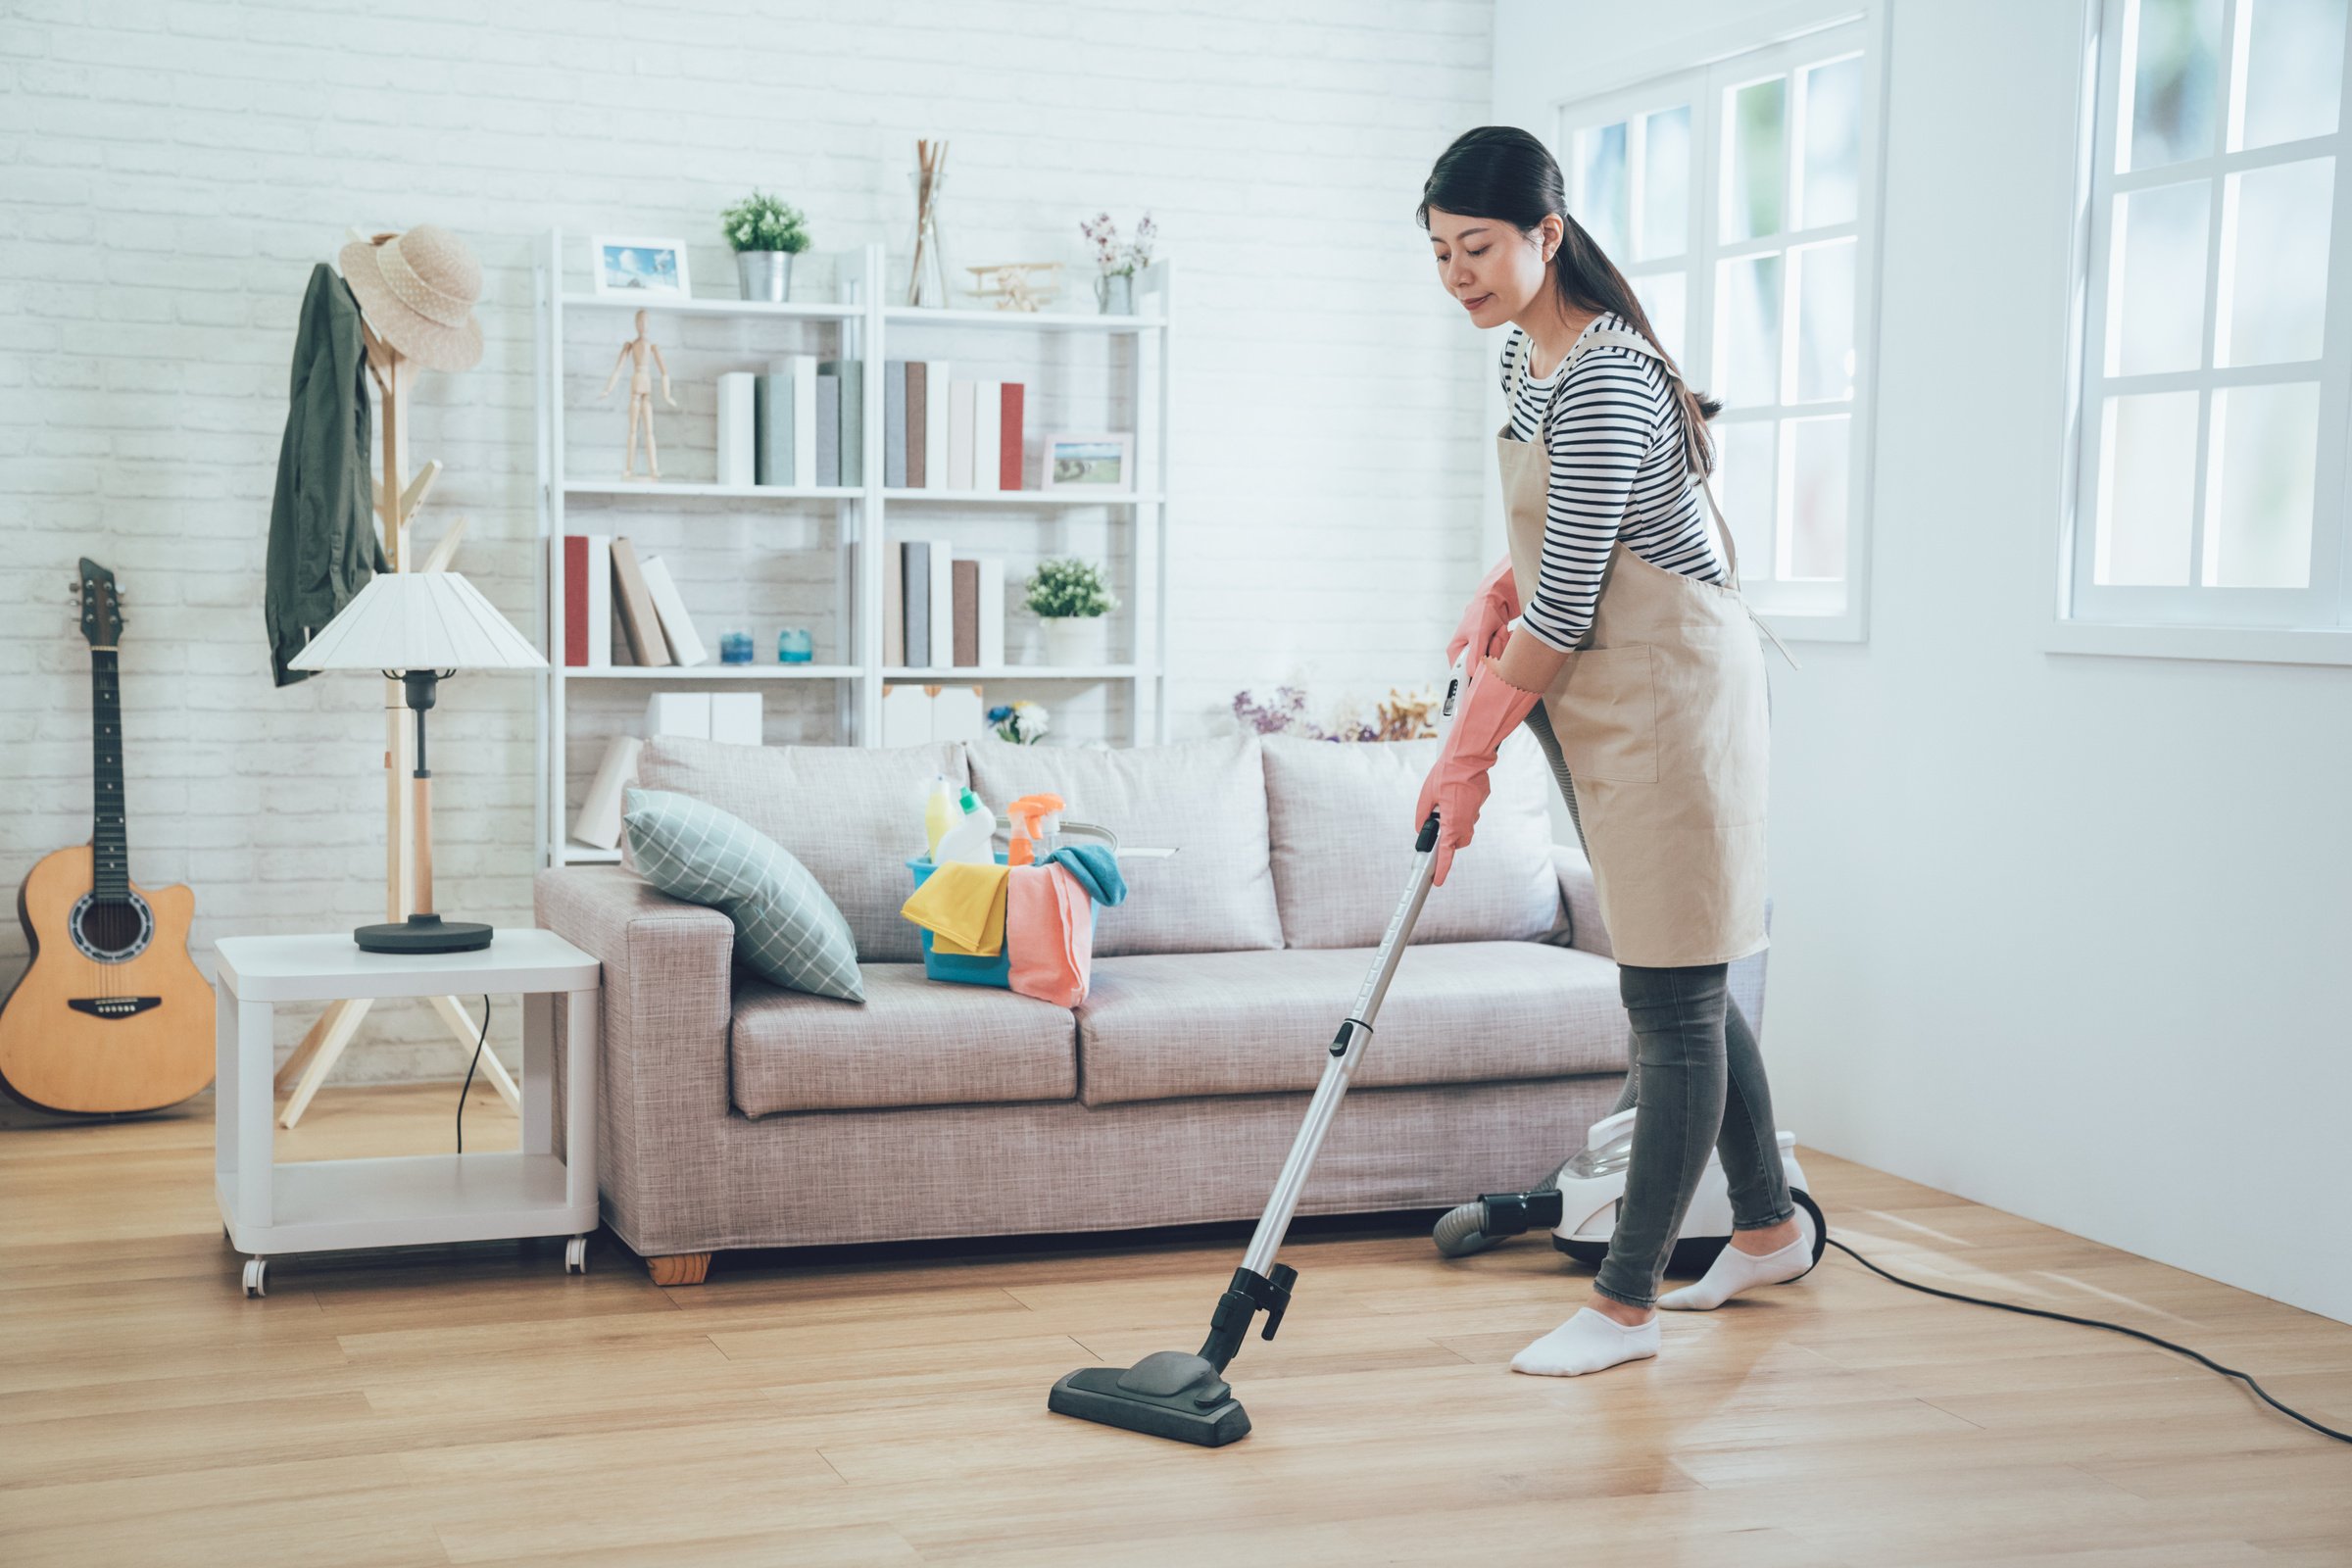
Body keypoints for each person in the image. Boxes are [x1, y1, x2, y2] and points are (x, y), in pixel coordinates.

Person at [1414, 125, 1816, 1378]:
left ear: (1546, 232)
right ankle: (1764, 1226)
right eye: (1437, 251)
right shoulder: (1529, 371)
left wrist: (1466, 753)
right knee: (1676, 961)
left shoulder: (1605, 374)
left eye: (1476, 246)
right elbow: (1577, 530)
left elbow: (1575, 602)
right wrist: (1497, 587)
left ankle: (1626, 1302)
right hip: (1598, 698)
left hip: (1668, 700)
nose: (1457, 274)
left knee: (1672, 993)